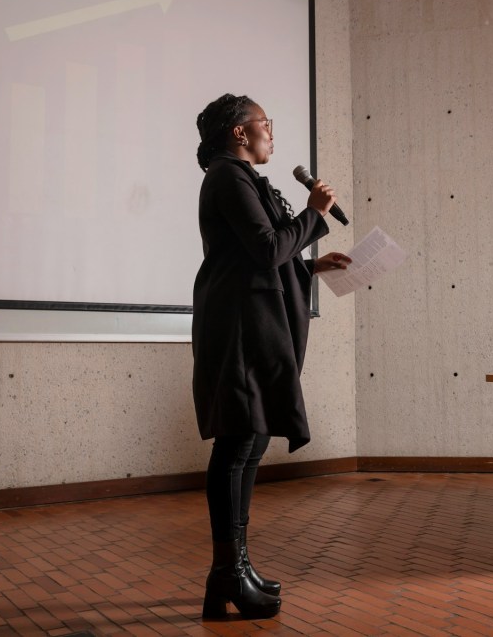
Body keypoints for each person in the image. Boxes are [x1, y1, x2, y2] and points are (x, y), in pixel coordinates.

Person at [191, 93, 351, 619]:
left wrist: (312, 266)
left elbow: (265, 258)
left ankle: (232, 570)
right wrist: (314, 214)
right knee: (238, 445)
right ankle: (228, 573)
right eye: (266, 123)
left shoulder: (241, 179)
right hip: (238, 330)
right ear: (240, 132)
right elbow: (264, 251)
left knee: (251, 440)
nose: (271, 132)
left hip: (250, 324)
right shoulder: (227, 177)